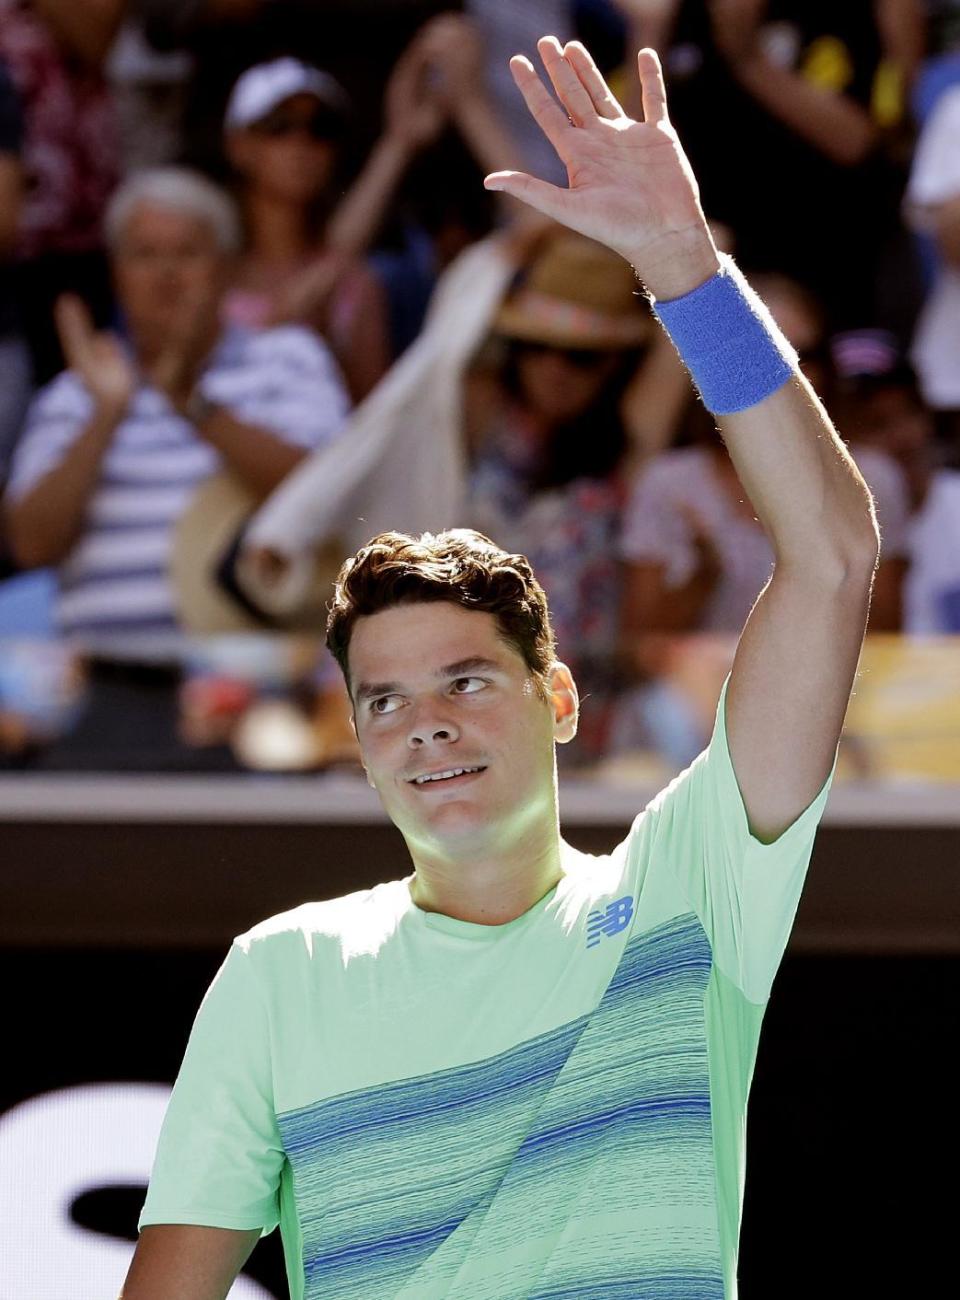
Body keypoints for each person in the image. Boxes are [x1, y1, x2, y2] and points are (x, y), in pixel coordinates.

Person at [123, 37, 880, 1297]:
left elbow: (834, 558)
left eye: (467, 680)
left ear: (560, 696)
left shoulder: (692, 890)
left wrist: (687, 273)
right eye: (385, 700)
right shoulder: (279, 974)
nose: (424, 723)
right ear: (358, 742)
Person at [2, 166, 350, 768]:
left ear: (228, 269)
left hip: (265, 695)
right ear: (116, 272)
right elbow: (31, 544)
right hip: (102, 697)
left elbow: (331, 503)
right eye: (144, 254)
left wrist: (191, 402)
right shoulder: (75, 395)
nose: (165, 274)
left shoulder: (287, 361)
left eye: (187, 253)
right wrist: (107, 414)